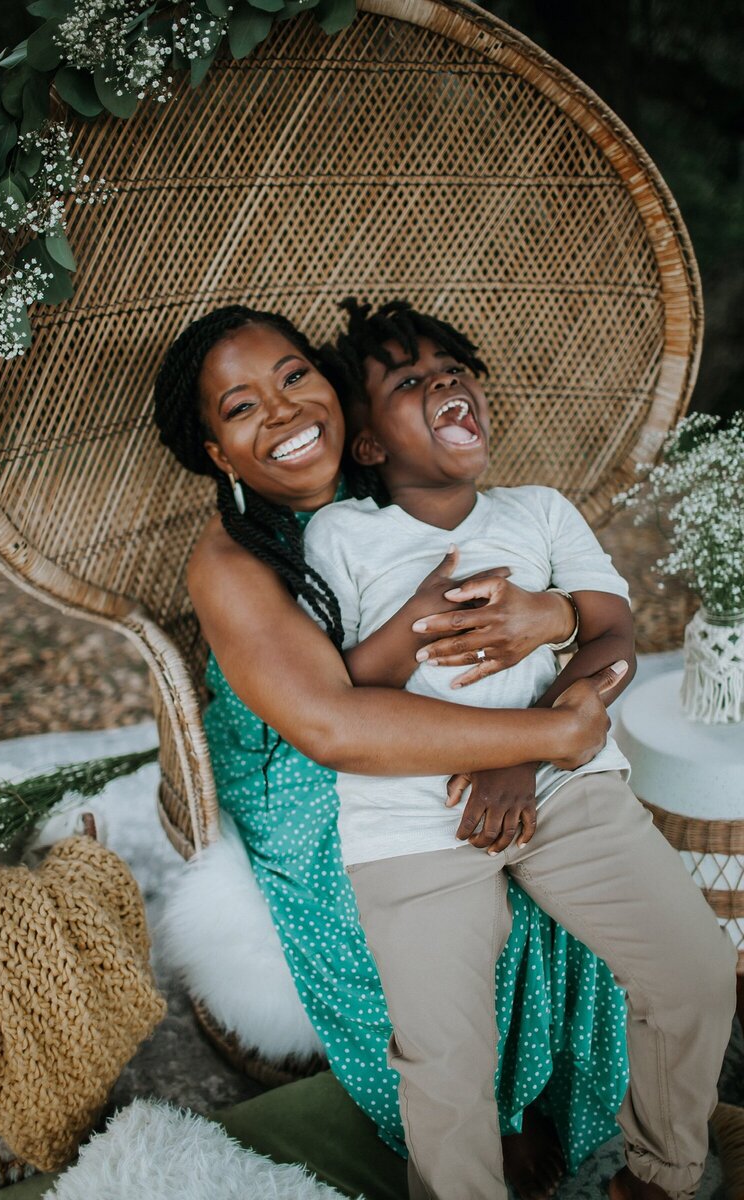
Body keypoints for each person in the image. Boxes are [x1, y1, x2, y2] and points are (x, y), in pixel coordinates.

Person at [153, 305, 630, 1198]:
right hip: (302, 765)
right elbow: (333, 728)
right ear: (218, 454)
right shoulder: (232, 559)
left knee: (561, 838)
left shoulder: (396, 480)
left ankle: (546, 1094)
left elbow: (539, 603)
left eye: (294, 376)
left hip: (440, 719)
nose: (286, 411)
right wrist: (549, 735)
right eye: (241, 407)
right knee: (402, 879)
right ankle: (479, 1115)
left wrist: (548, 651)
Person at [301, 297, 737, 1200]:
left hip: (564, 787)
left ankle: (656, 1176)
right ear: (371, 445)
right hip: (408, 819)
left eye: (453, 368)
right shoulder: (343, 535)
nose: (445, 382)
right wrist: (419, 616)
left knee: (695, 974)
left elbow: (612, 639)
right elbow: (338, 698)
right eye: (409, 381)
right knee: (445, 1062)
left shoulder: (537, 513)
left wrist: (521, 757)